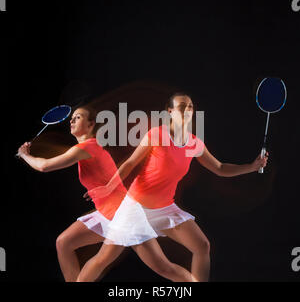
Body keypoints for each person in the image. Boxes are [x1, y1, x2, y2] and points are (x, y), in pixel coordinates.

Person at [77, 92, 269, 282]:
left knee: (202, 246)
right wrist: (109, 187)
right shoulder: (156, 135)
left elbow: (220, 168)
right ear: (170, 111)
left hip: (164, 207)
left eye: (190, 106)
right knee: (111, 260)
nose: (187, 110)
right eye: (181, 106)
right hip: (135, 208)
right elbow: (130, 164)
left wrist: (252, 167)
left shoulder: (194, 143)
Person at [17, 105, 128, 282]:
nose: (71, 120)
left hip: (121, 214)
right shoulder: (89, 147)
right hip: (108, 212)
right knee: (64, 243)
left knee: (95, 265)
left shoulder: (87, 148)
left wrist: (24, 155)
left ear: (91, 125)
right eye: (72, 117)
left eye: (78, 117)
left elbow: (44, 166)